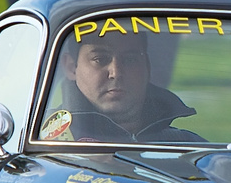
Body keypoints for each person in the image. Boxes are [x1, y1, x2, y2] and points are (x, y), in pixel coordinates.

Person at [41, 31, 200, 143]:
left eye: (130, 60)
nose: (116, 73)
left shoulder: (189, 147)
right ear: (71, 67)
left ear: (147, 67)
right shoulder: (44, 141)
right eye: (100, 59)